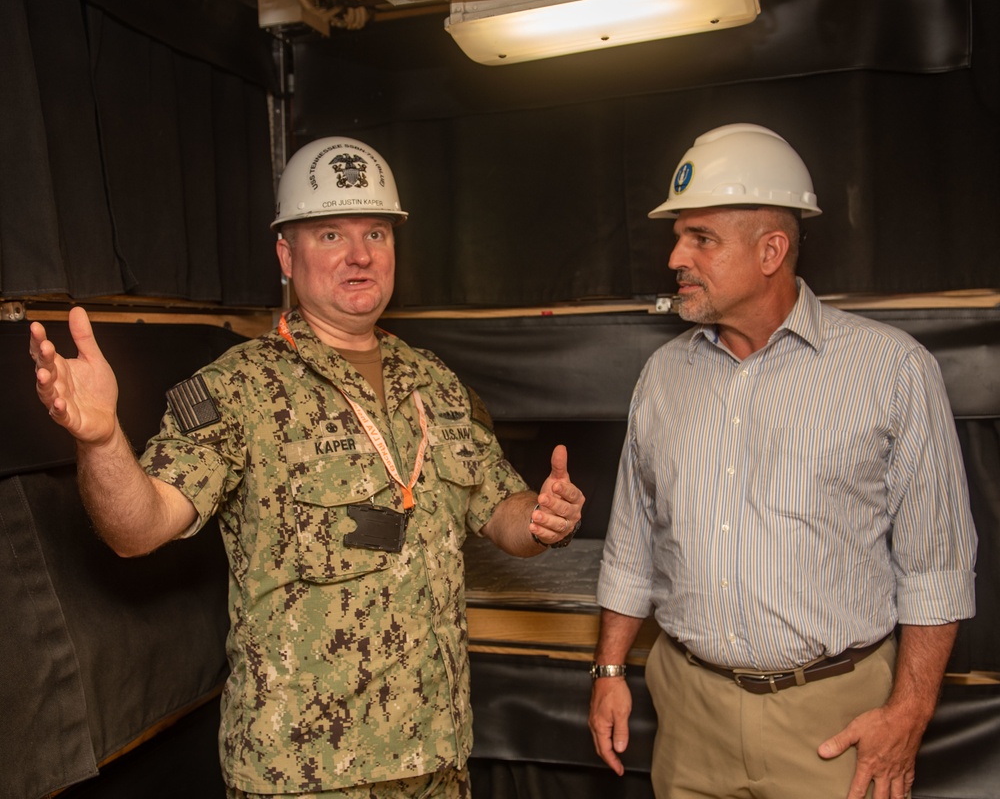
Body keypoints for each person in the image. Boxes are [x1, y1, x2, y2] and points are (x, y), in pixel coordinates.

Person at [30, 136, 585, 799]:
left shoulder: (435, 382)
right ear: (286, 256)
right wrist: (100, 440)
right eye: (330, 234)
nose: (359, 255)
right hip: (302, 775)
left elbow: (502, 515)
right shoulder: (238, 390)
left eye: (375, 232)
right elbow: (138, 527)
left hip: (434, 760)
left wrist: (545, 518)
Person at [587, 123, 977, 799]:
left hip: (831, 723)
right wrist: (610, 672)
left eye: (701, 239)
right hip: (689, 712)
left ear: (772, 250)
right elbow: (632, 543)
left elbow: (936, 566)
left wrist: (909, 715)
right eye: (678, 236)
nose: (676, 256)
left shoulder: (892, 370)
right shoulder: (663, 375)